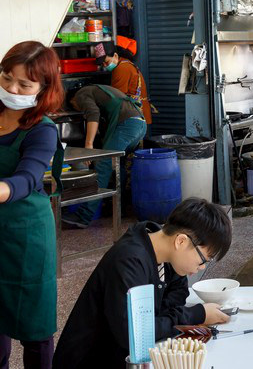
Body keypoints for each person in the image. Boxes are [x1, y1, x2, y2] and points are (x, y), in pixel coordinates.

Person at [53, 198, 232, 369]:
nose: (201, 268)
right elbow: (134, 336)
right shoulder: (129, 260)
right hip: (91, 361)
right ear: (181, 241)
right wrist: (196, 314)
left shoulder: (167, 257)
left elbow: (175, 299)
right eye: (203, 260)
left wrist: (166, 321)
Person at [0, 41, 64, 369]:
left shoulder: (42, 130)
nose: (12, 88)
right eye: (6, 78)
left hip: (27, 234)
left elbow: (27, 178)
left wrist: (2, 189)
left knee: (34, 325)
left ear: (43, 88)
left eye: (24, 84)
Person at [62, 84, 147, 228]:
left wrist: (88, 145)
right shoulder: (100, 91)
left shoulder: (81, 94)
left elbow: (92, 114)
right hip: (140, 124)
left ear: (72, 101)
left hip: (128, 125)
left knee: (103, 164)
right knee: (117, 166)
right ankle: (119, 209)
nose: (81, 110)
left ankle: (83, 217)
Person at [94, 37, 153, 125]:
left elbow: (116, 96)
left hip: (134, 116)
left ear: (115, 55)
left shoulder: (122, 68)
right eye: (102, 64)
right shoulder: (125, 63)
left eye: (106, 62)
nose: (105, 66)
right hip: (138, 114)